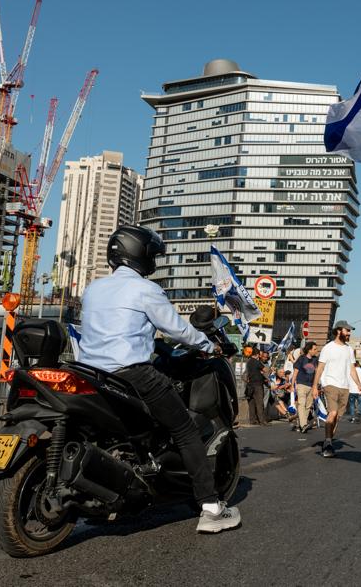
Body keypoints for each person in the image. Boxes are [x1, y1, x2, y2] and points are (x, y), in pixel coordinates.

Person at [80, 225, 240, 534]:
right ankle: (210, 508)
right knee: (185, 430)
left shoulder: (94, 288)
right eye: (152, 255)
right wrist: (209, 345)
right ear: (139, 255)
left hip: (91, 373)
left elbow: (116, 330)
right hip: (132, 374)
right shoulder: (145, 289)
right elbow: (177, 329)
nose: (153, 261)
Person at [311, 320, 361, 457]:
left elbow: (352, 369)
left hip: (344, 387)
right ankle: (328, 443)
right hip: (330, 384)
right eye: (347, 331)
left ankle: (328, 441)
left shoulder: (349, 350)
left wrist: (358, 384)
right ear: (339, 331)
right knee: (332, 413)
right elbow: (320, 368)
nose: (349, 333)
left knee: (336, 417)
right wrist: (315, 386)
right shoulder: (328, 348)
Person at [291, 341, 319, 434]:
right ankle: (303, 424)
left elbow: (317, 373)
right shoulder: (301, 359)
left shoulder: (316, 360)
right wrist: (292, 385)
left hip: (311, 386)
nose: (316, 351)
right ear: (309, 350)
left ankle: (302, 424)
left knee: (308, 406)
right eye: (314, 349)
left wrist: (317, 386)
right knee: (301, 404)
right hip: (301, 384)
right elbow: (295, 372)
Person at [244, 349, 269, 426]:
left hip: (250, 385)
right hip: (258, 385)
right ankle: (262, 421)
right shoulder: (257, 362)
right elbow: (266, 370)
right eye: (260, 354)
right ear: (257, 355)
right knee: (259, 403)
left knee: (251, 403)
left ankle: (253, 420)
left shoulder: (248, 362)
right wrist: (269, 370)